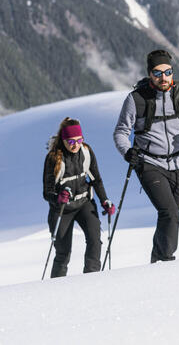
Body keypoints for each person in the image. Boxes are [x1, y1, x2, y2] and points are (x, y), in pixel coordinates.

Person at [113, 49, 179, 262]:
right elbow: (121, 133)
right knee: (170, 214)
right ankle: (166, 261)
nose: (164, 78)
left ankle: (157, 258)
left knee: (169, 216)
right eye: (158, 73)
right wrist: (128, 152)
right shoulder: (137, 99)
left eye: (168, 72)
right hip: (149, 164)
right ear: (150, 74)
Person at [43, 118, 114, 277]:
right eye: (71, 141)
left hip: (84, 203)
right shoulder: (54, 158)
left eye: (79, 140)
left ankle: (91, 279)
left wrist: (104, 200)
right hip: (62, 209)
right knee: (63, 252)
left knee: (95, 241)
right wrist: (58, 197)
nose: (75, 145)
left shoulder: (86, 152)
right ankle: (56, 288)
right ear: (63, 140)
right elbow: (47, 191)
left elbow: (96, 179)